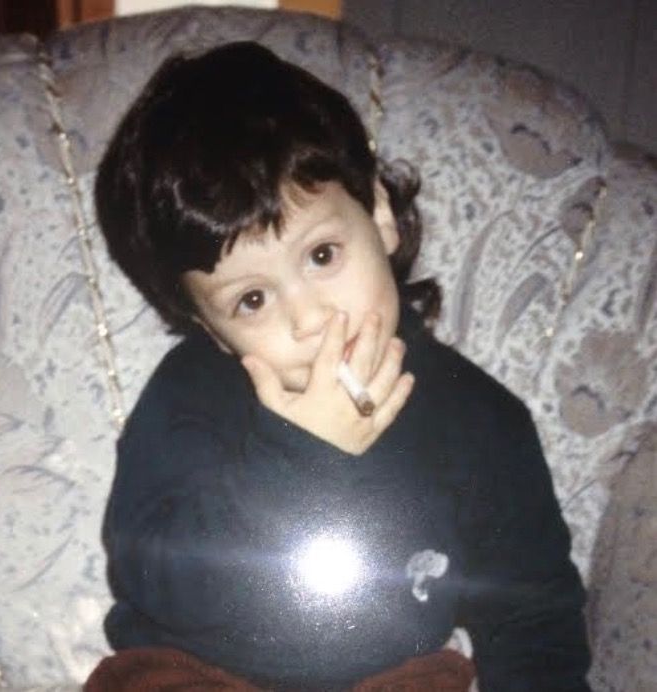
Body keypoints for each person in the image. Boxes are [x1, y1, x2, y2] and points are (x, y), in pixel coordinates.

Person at [88, 41, 591, 691]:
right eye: (252, 299)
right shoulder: (192, 392)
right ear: (210, 329)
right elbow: (150, 576)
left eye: (322, 255)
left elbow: (532, 618)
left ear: (379, 216)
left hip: (389, 678)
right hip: (198, 671)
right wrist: (296, 456)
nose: (310, 318)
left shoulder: (483, 421)